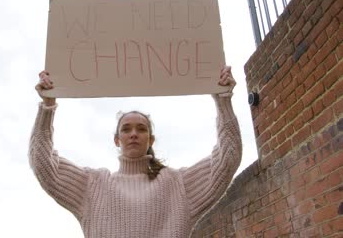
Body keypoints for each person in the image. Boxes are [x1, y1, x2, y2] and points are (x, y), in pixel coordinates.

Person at [29, 66, 242, 238]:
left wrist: (223, 101)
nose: (133, 134)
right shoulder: (93, 186)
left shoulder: (176, 184)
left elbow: (227, 158)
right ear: (116, 139)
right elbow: (44, 165)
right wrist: (47, 107)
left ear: (150, 140)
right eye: (126, 129)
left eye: (141, 129)